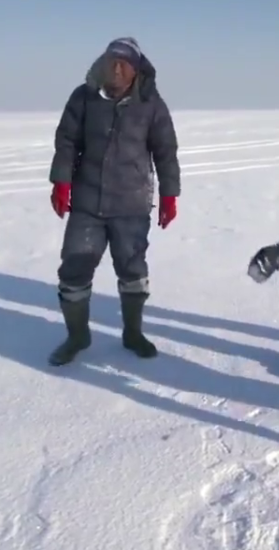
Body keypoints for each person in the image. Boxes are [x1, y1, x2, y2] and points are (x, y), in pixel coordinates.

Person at [47, 37, 181, 366]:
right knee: (74, 268)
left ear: (136, 69)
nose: (117, 67)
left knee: (132, 270)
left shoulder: (151, 104)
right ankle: (77, 335)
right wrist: (61, 180)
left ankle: (132, 334)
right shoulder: (84, 98)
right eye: (112, 60)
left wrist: (169, 194)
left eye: (124, 62)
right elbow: (66, 140)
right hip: (88, 203)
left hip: (132, 204)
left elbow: (165, 151)